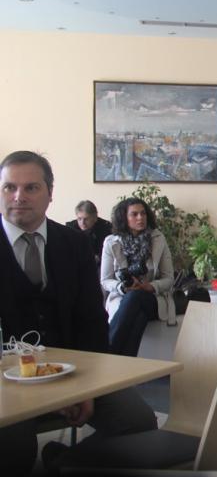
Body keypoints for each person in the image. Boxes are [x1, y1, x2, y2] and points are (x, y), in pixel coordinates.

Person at [0, 151, 156, 475]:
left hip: (72, 372)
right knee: (14, 448)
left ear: (50, 193)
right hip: (4, 385)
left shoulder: (73, 243)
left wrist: (87, 388)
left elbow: (92, 322)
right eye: (9, 187)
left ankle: (66, 461)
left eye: (31, 188)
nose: (18, 197)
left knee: (138, 421)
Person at [100, 197, 174, 356]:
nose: (140, 218)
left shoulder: (158, 239)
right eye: (134, 214)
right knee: (138, 317)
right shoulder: (111, 242)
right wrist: (121, 287)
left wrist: (150, 286)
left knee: (135, 297)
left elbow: (169, 278)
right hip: (122, 298)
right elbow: (105, 280)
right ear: (124, 218)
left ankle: (106, 351)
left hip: (152, 298)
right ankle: (127, 366)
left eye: (143, 213)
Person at [65, 199, 112, 266]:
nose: (82, 223)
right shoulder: (70, 228)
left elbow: (107, 253)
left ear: (95, 218)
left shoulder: (106, 228)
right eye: (79, 219)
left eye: (86, 219)